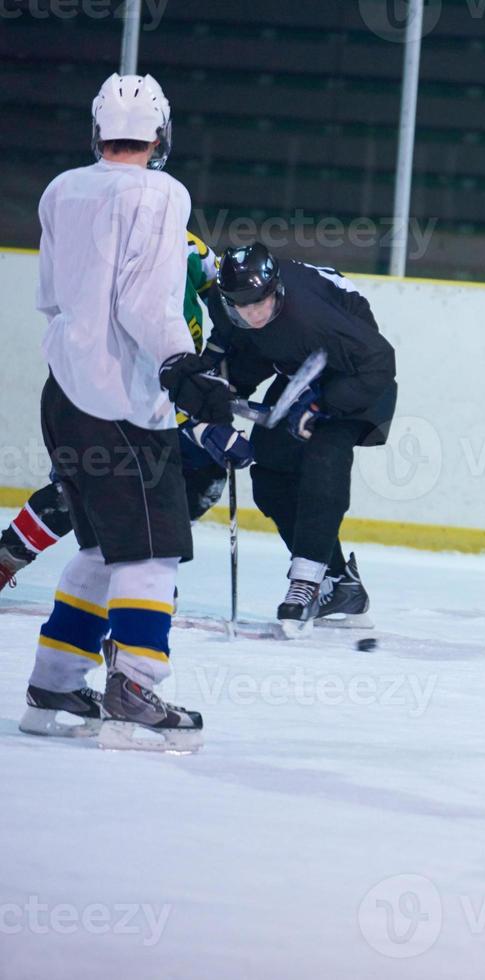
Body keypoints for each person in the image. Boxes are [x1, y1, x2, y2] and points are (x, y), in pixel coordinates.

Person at [20, 74, 232, 750]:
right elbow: (147, 303)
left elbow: (52, 295)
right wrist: (183, 366)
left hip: (63, 393)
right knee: (152, 547)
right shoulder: (163, 194)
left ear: (97, 131)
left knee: (101, 547)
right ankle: (136, 687)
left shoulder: (61, 189)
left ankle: (53, 683)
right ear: (161, 134)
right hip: (121, 400)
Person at [0, 232, 252, 593]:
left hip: (166, 387)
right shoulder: (108, 259)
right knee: (81, 488)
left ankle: (147, 562)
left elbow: (221, 284)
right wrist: (202, 426)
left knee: (205, 470)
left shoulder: (184, 245)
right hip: (99, 392)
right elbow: (144, 381)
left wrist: (222, 339)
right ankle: (9, 555)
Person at [206, 242, 397, 636]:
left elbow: (380, 361)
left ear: (277, 288)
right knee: (271, 477)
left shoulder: (311, 317)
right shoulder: (241, 310)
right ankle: (341, 584)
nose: (253, 313)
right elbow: (256, 350)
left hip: (356, 375)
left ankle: (306, 580)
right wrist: (223, 393)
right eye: (242, 305)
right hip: (304, 368)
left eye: (260, 302)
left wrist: (324, 404)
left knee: (324, 457)